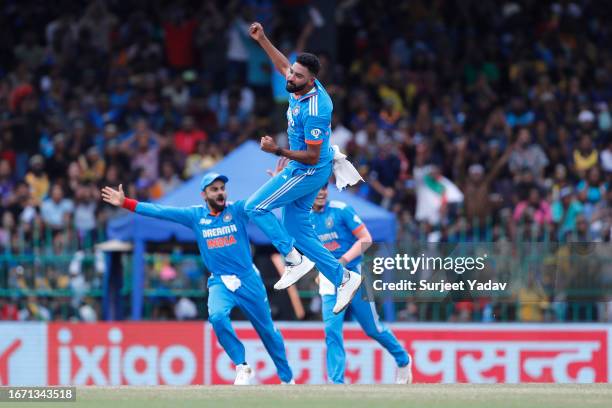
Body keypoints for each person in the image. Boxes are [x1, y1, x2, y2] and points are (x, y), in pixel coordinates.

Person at [101, 173, 294, 385]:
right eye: (214, 189)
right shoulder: (195, 216)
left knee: (267, 331)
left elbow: (261, 201)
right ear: (204, 194)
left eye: (222, 188)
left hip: (248, 279)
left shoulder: (237, 210)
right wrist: (126, 203)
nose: (220, 192)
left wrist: (280, 179)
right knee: (218, 316)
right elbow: (161, 211)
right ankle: (241, 365)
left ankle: (287, 379)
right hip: (220, 282)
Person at [245, 22, 361, 315]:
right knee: (301, 232)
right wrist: (262, 40)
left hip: (308, 170)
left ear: (310, 81)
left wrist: (277, 150)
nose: (290, 76)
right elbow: (283, 63)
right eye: (292, 72)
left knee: (254, 207)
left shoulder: (316, 109)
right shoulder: (298, 82)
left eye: (297, 76)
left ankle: (293, 260)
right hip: (304, 168)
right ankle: (344, 278)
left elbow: (311, 156)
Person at [311, 185, 412, 384]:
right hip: (329, 282)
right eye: (317, 188)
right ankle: (336, 383)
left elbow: (366, 239)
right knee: (332, 330)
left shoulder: (341, 210)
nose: (321, 192)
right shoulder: (304, 218)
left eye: (324, 187)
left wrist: (342, 261)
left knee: (372, 328)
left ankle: (403, 359)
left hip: (354, 277)